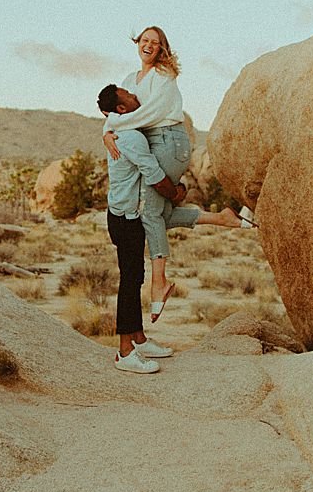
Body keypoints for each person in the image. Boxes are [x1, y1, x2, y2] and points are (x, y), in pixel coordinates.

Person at [100, 26, 251, 323]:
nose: (149, 45)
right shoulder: (130, 80)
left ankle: (159, 284)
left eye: (155, 43)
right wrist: (108, 129)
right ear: (137, 44)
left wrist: (113, 128)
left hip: (169, 140)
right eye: (145, 40)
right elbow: (114, 113)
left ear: (162, 49)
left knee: (150, 214)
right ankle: (221, 218)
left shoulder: (164, 77)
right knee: (161, 215)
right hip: (153, 142)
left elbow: (151, 114)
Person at [98, 85, 253, 374]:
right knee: (130, 284)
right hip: (125, 219)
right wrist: (177, 192)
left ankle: (140, 340)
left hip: (130, 215)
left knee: (138, 273)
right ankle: (124, 352)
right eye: (127, 94)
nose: (133, 94)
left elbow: (110, 126)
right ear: (121, 109)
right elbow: (154, 176)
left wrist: (105, 133)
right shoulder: (130, 137)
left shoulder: (123, 128)